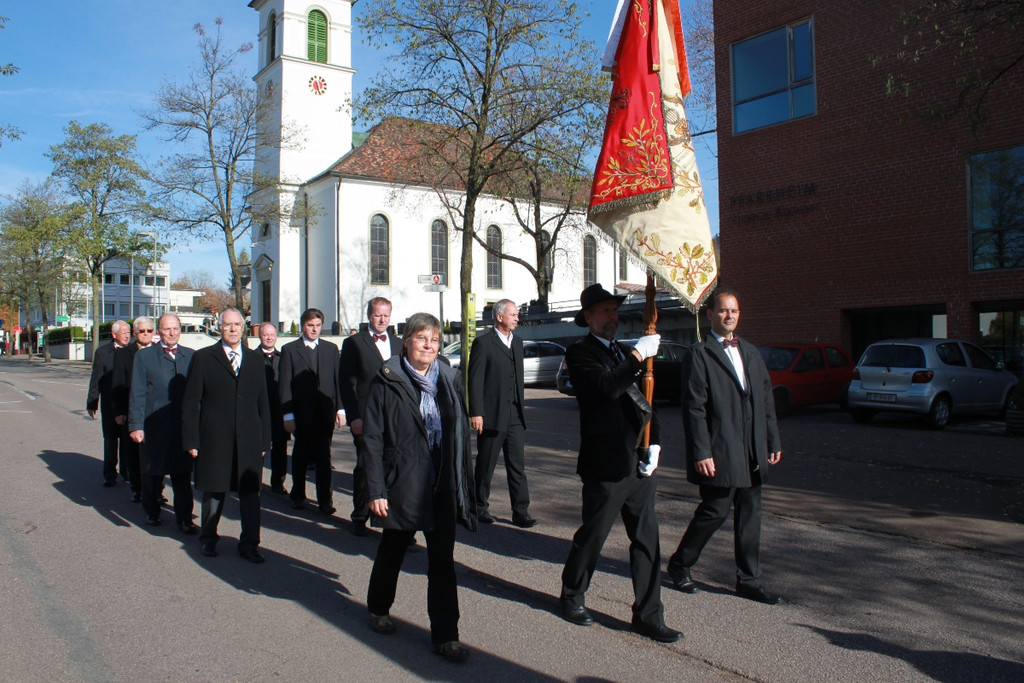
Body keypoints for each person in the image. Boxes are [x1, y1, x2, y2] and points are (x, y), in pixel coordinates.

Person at [559, 284, 681, 644]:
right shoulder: (580, 354)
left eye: (614, 311)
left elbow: (646, 401)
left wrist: (655, 442)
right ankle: (572, 594)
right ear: (588, 318)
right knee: (593, 536)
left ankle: (648, 614)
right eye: (604, 312)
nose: (612, 317)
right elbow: (606, 389)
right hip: (605, 464)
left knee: (647, 541)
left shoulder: (623, 353)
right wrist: (637, 357)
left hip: (637, 461)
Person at [362, 313, 476, 663]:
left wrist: (463, 484)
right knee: (393, 550)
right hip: (403, 484)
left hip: (441, 483)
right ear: (407, 341)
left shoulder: (448, 379)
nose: (429, 346)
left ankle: (446, 636)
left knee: (442, 560)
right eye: (422, 338)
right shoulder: (387, 380)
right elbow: (372, 438)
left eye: (435, 340)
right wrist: (376, 490)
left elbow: (457, 433)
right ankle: (379, 607)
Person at [667, 288, 783, 604]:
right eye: (722, 310)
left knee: (750, 515)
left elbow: (765, 400)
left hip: (752, 449)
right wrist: (701, 451)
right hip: (720, 447)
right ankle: (680, 564)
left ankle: (748, 580)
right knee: (715, 510)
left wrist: (772, 439)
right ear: (710, 315)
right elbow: (694, 407)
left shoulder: (751, 352)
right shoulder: (699, 354)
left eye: (733, 310)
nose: (729, 315)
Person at [183, 308, 272, 562]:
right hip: (215, 438)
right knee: (214, 492)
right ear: (219, 328)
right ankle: (208, 539)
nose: (233, 329)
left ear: (243, 327)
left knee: (250, 495)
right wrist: (191, 440)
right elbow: (191, 403)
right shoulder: (203, 358)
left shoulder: (255, 360)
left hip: (249, 440)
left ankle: (250, 545)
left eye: (237, 324)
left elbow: (262, 403)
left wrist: (265, 439)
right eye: (227, 325)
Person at [467, 299, 535, 527]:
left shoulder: (518, 342)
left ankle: (520, 511)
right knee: (486, 465)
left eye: (517, 315)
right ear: (499, 317)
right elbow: (474, 381)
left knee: (517, 466)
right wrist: (476, 412)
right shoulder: (483, 343)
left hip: (515, 415)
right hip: (491, 415)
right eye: (513, 314)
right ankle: (479, 507)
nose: (517, 318)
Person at [339, 297, 403, 536]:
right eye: (378, 315)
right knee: (366, 466)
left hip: (394, 416)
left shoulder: (398, 343)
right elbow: (347, 383)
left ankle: (393, 520)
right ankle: (359, 515)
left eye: (386, 315)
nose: (382, 319)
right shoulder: (354, 343)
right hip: (366, 416)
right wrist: (353, 416)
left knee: (395, 467)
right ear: (369, 315)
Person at [128, 313, 196, 532]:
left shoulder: (192, 356)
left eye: (175, 328)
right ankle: (152, 511)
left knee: (182, 475)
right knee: (152, 473)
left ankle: (185, 518)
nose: (172, 333)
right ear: (159, 330)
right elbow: (137, 392)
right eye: (167, 329)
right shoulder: (145, 357)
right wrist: (136, 425)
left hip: (182, 428)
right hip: (154, 427)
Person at [279, 308, 345, 514]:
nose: (314, 329)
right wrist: (287, 414)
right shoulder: (290, 350)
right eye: (310, 325)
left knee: (324, 457)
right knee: (301, 456)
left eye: (317, 325)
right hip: (301, 413)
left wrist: (341, 408)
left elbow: (338, 380)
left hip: (325, 412)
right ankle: (298, 495)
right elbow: (284, 384)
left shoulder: (331, 349)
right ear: (303, 326)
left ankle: (325, 500)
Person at [112, 317, 157, 502]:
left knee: (155, 454)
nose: (145, 334)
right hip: (132, 410)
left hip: (155, 411)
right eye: (141, 331)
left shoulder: (159, 352)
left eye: (149, 331)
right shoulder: (124, 354)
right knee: (133, 452)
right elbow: (118, 384)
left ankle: (156, 491)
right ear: (135, 334)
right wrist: (119, 411)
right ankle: (137, 488)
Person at [87, 320, 131, 487]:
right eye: (124, 332)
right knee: (111, 440)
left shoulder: (132, 351)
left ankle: (127, 472)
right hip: (110, 404)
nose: (128, 335)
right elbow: (96, 378)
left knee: (127, 441)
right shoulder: (103, 353)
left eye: (129, 332)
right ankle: (110, 473)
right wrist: (92, 402)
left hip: (127, 403)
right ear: (114, 335)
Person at [257, 322, 289, 495]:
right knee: (258, 449)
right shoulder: (251, 357)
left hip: (278, 410)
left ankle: (278, 483)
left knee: (280, 449)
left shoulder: (283, 357)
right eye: (265, 335)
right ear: (260, 336)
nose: (269, 338)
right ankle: (255, 482)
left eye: (272, 335)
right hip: (259, 411)